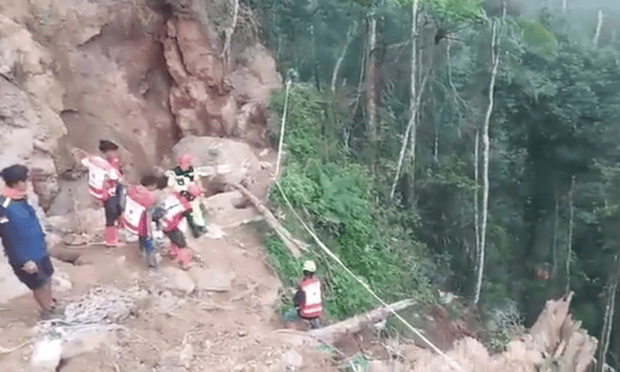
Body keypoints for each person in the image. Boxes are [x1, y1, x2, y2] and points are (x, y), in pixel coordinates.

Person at [0, 165, 60, 318]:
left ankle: (51, 305)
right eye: (24, 180)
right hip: (26, 255)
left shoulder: (21, 199)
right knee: (38, 284)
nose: (27, 184)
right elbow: (9, 237)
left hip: (38, 248)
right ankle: (47, 311)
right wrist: (24, 260)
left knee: (47, 276)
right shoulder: (4, 207)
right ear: (15, 183)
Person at [79, 139, 124, 247]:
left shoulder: (114, 160)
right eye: (112, 151)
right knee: (111, 213)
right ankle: (110, 239)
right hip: (107, 190)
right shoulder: (98, 162)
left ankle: (115, 236)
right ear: (106, 152)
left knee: (119, 209)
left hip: (116, 186)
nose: (114, 154)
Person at [152, 183, 203, 270]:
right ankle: (186, 263)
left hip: (160, 221)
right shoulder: (186, 207)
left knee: (173, 239)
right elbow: (185, 218)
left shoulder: (174, 194)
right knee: (182, 245)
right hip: (171, 226)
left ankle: (173, 253)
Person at [119, 175, 158, 268]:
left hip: (131, 221)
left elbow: (122, 202)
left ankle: (141, 252)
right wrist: (149, 231)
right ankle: (151, 263)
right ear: (151, 185)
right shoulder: (150, 197)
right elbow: (148, 216)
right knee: (149, 243)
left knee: (141, 238)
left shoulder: (131, 190)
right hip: (143, 224)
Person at [165, 154, 207, 238]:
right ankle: (194, 230)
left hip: (193, 194)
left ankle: (201, 226)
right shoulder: (174, 173)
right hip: (180, 195)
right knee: (186, 213)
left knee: (197, 210)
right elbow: (171, 186)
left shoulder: (192, 170)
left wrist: (200, 191)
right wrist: (180, 192)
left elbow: (197, 181)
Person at [283, 260, 323, 330]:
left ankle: (292, 333)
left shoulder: (302, 285)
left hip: (306, 313)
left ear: (304, 272)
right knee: (313, 316)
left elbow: (297, 301)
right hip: (317, 312)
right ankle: (316, 327)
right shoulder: (317, 282)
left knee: (287, 317)